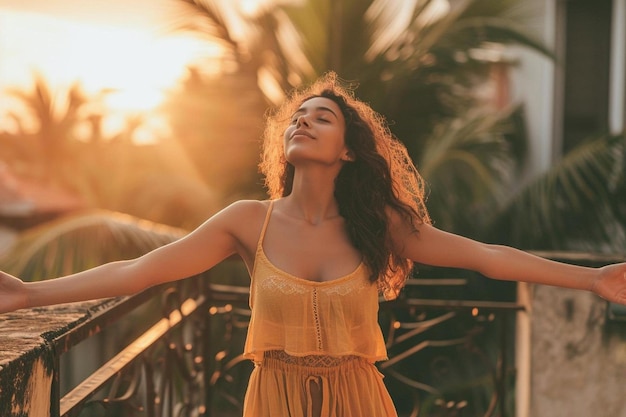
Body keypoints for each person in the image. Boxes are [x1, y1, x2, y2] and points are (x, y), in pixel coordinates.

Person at [1, 72, 626, 417]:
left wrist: (593, 279)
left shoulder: (377, 225)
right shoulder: (249, 221)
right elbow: (143, 269)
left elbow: (487, 257)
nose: (303, 121)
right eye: (299, 116)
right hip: (274, 402)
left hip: (360, 402)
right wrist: (31, 292)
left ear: (348, 149)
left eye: (320, 117)